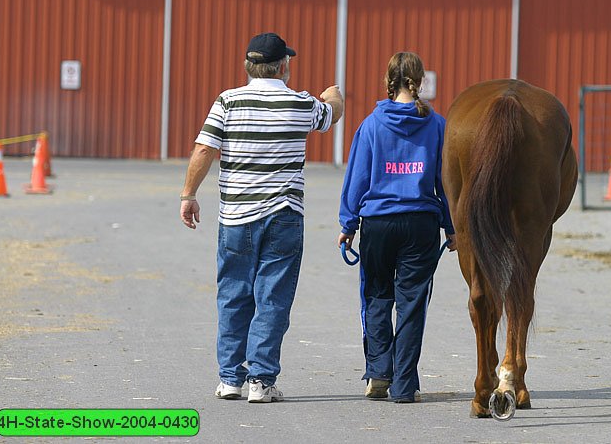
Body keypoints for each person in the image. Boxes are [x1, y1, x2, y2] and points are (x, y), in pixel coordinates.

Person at [180, 32, 344, 403]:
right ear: (284, 66)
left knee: (233, 294)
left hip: (236, 214)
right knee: (273, 297)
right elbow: (332, 113)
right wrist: (334, 93)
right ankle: (261, 380)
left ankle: (229, 378)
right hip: (283, 214)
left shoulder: (228, 101)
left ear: (247, 66)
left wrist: (189, 194)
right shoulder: (301, 103)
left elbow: (205, 148)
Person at [337, 51, 456, 404]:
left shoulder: (372, 124)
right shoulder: (437, 124)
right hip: (421, 223)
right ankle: (404, 385)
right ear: (419, 82)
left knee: (376, 296)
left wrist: (348, 222)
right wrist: (451, 227)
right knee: (411, 304)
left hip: (378, 223)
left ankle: (378, 372)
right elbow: (444, 182)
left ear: (389, 80)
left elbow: (357, 177)